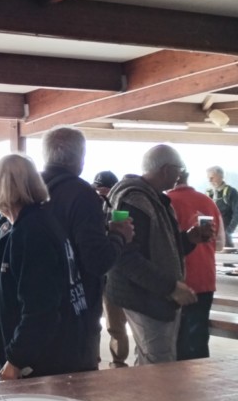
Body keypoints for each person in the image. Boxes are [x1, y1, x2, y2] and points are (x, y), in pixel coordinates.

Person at [0, 154, 89, 381]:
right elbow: (14, 295)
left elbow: (41, 308)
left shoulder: (31, 233)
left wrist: (16, 360)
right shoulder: (39, 223)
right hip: (55, 349)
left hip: (41, 361)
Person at [107, 145, 212, 365]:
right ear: (166, 170)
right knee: (159, 364)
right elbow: (126, 258)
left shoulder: (152, 198)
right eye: (178, 169)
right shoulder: (136, 200)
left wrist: (188, 239)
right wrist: (171, 287)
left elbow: (159, 248)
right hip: (144, 297)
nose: (179, 175)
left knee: (152, 359)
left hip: (149, 293)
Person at [40, 127, 133, 371]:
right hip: (74, 312)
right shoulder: (81, 194)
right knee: (77, 389)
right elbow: (97, 260)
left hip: (33, 308)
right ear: (79, 157)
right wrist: (118, 236)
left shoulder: (27, 189)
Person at [168, 170, 225, 360]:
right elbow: (220, 243)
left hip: (176, 281)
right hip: (205, 278)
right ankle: (201, 376)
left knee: (174, 340)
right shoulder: (208, 202)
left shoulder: (165, 202)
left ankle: (175, 378)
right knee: (198, 338)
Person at [92, 170, 129, 367]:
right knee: (91, 323)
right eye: (98, 190)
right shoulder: (87, 208)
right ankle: (92, 359)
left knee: (116, 324)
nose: (102, 194)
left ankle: (118, 362)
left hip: (112, 275)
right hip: (93, 274)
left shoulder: (120, 208)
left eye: (106, 190)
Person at [207, 166, 238, 247]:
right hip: (211, 237)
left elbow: (237, 214)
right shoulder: (209, 193)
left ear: (221, 176)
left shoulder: (231, 192)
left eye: (212, 178)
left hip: (225, 237)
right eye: (208, 178)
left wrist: (228, 232)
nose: (209, 180)